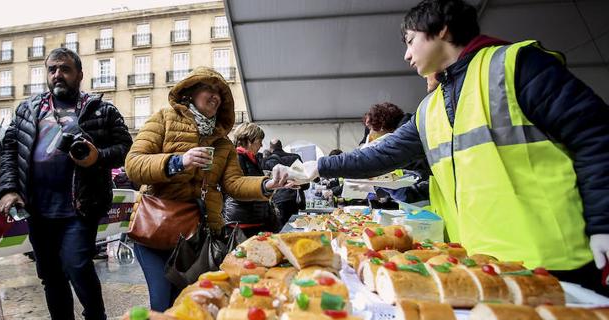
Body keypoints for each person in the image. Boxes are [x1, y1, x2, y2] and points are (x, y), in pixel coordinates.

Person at [274, 0, 609, 295]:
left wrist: (603, 223)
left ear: (442, 31)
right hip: (480, 263)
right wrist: (317, 168)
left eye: (410, 41)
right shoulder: (429, 108)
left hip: (554, 262)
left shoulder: (517, 65)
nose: (406, 54)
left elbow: (595, 135)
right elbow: (381, 154)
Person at [0, 47, 132, 320]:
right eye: (53, 69)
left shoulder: (100, 110)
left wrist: (97, 156)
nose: (58, 74)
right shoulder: (28, 109)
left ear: (79, 74)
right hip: (39, 209)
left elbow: (127, 148)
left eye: (65, 69)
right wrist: (10, 189)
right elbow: (10, 152)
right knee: (51, 277)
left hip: (79, 207)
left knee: (77, 266)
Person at [125, 67, 288, 312]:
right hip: (154, 230)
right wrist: (178, 161)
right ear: (190, 92)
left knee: (189, 304)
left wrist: (267, 184)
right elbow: (134, 164)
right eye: (209, 89)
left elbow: (234, 183)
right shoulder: (163, 119)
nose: (216, 97)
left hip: (196, 237)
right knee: (161, 303)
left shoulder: (222, 143)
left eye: (221, 94)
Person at [223, 122, 278, 237]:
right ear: (248, 140)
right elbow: (238, 188)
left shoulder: (251, 158)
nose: (261, 145)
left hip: (252, 219)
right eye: (259, 141)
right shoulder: (237, 158)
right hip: (242, 222)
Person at [262, 139, 306, 228]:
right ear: (281, 146)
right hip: (294, 199)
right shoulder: (295, 157)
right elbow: (305, 182)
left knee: (281, 228)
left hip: (278, 200)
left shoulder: (266, 161)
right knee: (296, 225)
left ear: (271, 148)